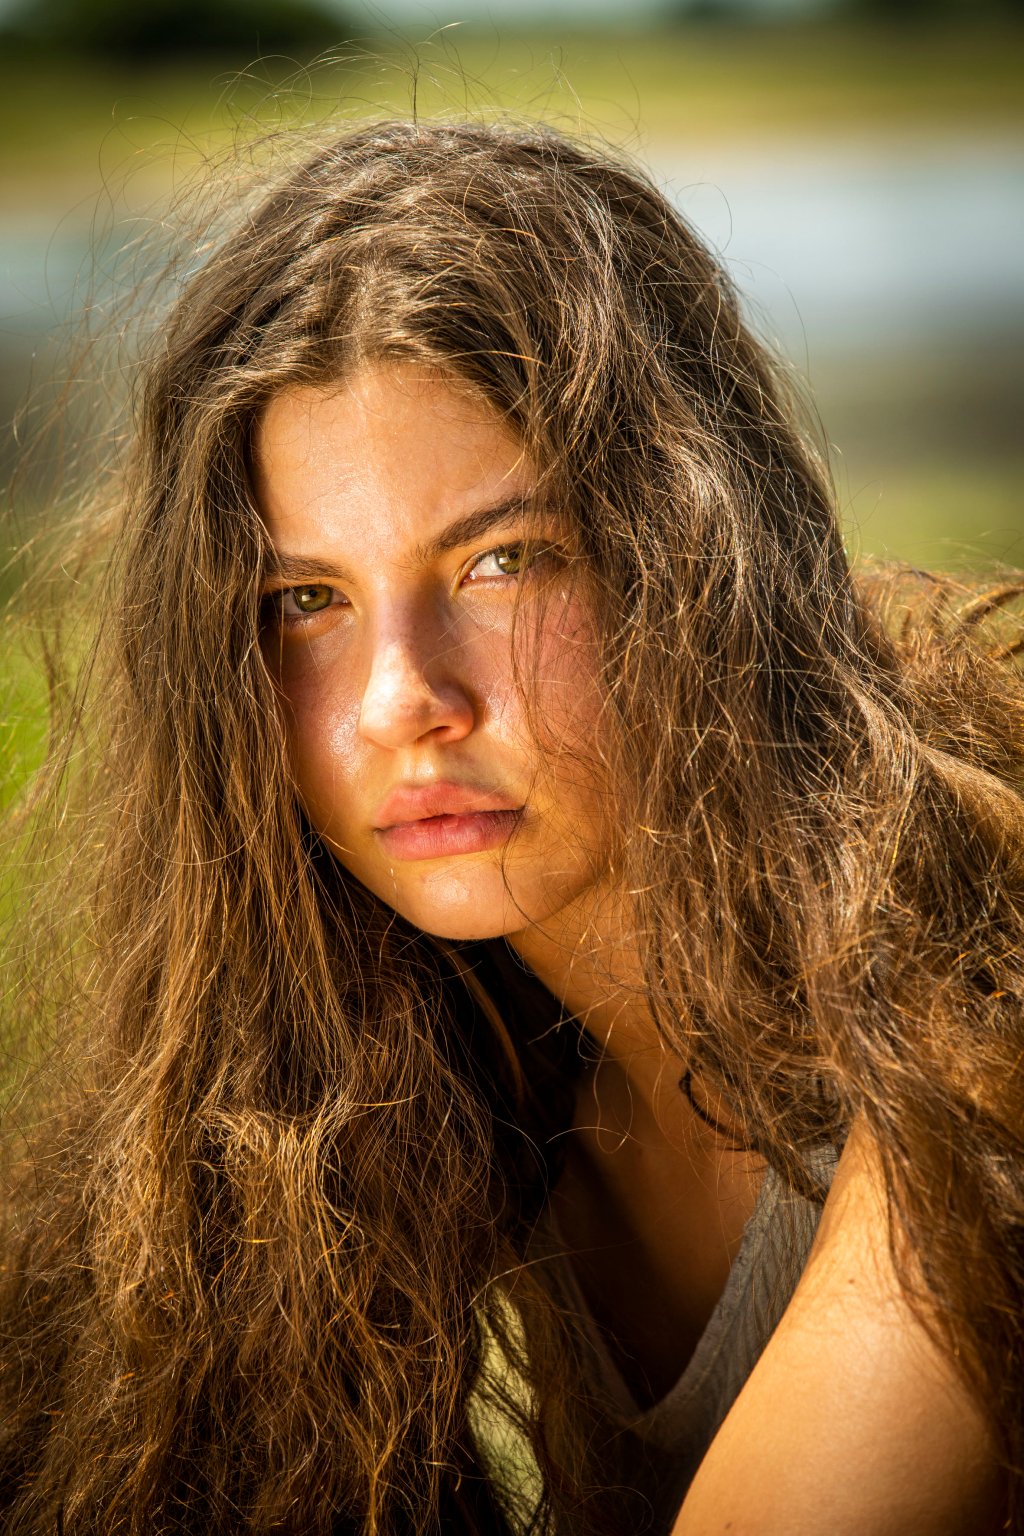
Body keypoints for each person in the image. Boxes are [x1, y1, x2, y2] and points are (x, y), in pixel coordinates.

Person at [0, 117, 1020, 1536]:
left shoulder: (961, 1052)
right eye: (308, 601)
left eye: (503, 561)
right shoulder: (471, 1068)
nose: (400, 703)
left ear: (694, 559)